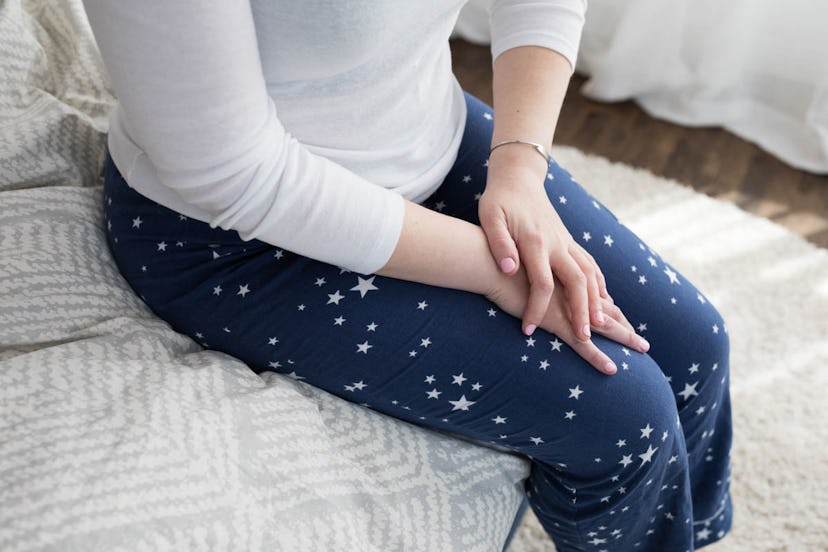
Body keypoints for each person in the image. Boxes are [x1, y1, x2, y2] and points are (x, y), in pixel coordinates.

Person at [82, 1, 733, 549]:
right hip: (233, 241)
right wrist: (491, 267)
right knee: (624, 412)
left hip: (431, 143)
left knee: (697, 344)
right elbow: (227, 171)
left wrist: (518, 173)